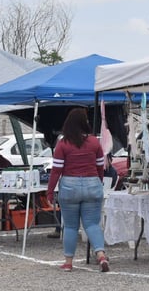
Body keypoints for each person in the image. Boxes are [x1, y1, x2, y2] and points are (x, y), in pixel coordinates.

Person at [46, 108, 110, 273]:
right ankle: (101, 255)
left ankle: (68, 262)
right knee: (92, 224)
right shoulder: (95, 142)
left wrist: (50, 191)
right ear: (84, 123)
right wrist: (98, 182)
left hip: (69, 186)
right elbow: (100, 167)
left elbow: (56, 170)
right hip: (92, 184)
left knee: (71, 226)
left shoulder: (63, 144)